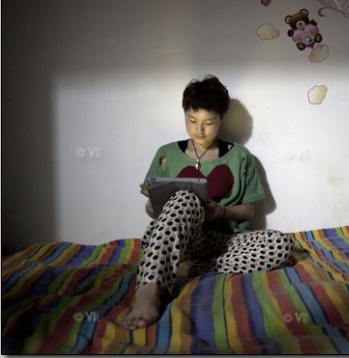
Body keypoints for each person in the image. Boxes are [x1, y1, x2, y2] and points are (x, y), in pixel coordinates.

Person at [122, 75, 294, 330]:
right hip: (180, 240)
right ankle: (149, 290)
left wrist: (220, 212)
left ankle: (191, 269)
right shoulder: (166, 154)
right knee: (185, 198)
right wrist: (155, 204)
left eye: (208, 123)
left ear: (221, 119)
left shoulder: (240, 156)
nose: (199, 130)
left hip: (224, 242)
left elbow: (249, 211)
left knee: (282, 245)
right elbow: (151, 211)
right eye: (191, 120)